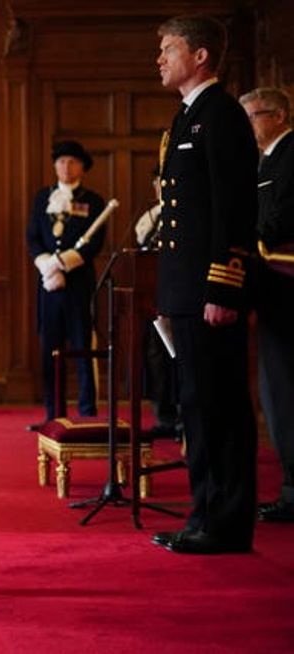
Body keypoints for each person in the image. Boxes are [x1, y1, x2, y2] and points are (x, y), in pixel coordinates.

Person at [149, 15, 259, 554]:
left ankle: (225, 521)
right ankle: (204, 514)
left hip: (209, 292)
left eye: (168, 49)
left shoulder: (222, 116)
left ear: (200, 56)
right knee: (196, 405)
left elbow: (234, 210)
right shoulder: (186, 117)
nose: (160, 58)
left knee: (219, 407)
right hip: (186, 292)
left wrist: (223, 288)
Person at [239, 87, 294, 523]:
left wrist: (242, 237)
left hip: (285, 286)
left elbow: (279, 218)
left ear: (275, 116)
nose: (246, 126)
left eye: (251, 117)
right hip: (271, 285)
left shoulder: (290, 153)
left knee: (284, 390)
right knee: (276, 391)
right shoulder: (267, 158)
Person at [25, 140, 106, 429]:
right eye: (60, 162)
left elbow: (94, 243)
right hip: (48, 286)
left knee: (82, 345)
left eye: (71, 162)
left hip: (78, 285)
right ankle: (52, 413)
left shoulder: (94, 201)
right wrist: (47, 265)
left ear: (82, 166)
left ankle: (87, 411)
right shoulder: (41, 198)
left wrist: (63, 264)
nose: (65, 167)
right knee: (51, 348)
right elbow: (33, 237)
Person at [134, 168, 182, 439]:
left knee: (178, 358)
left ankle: (183, 419)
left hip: (178, 297)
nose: (161, 187)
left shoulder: (183, 213)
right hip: (152, 299)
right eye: (157, 182)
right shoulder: (149, 218)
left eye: (165, 181)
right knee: (155, 359)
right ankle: (163, 416)